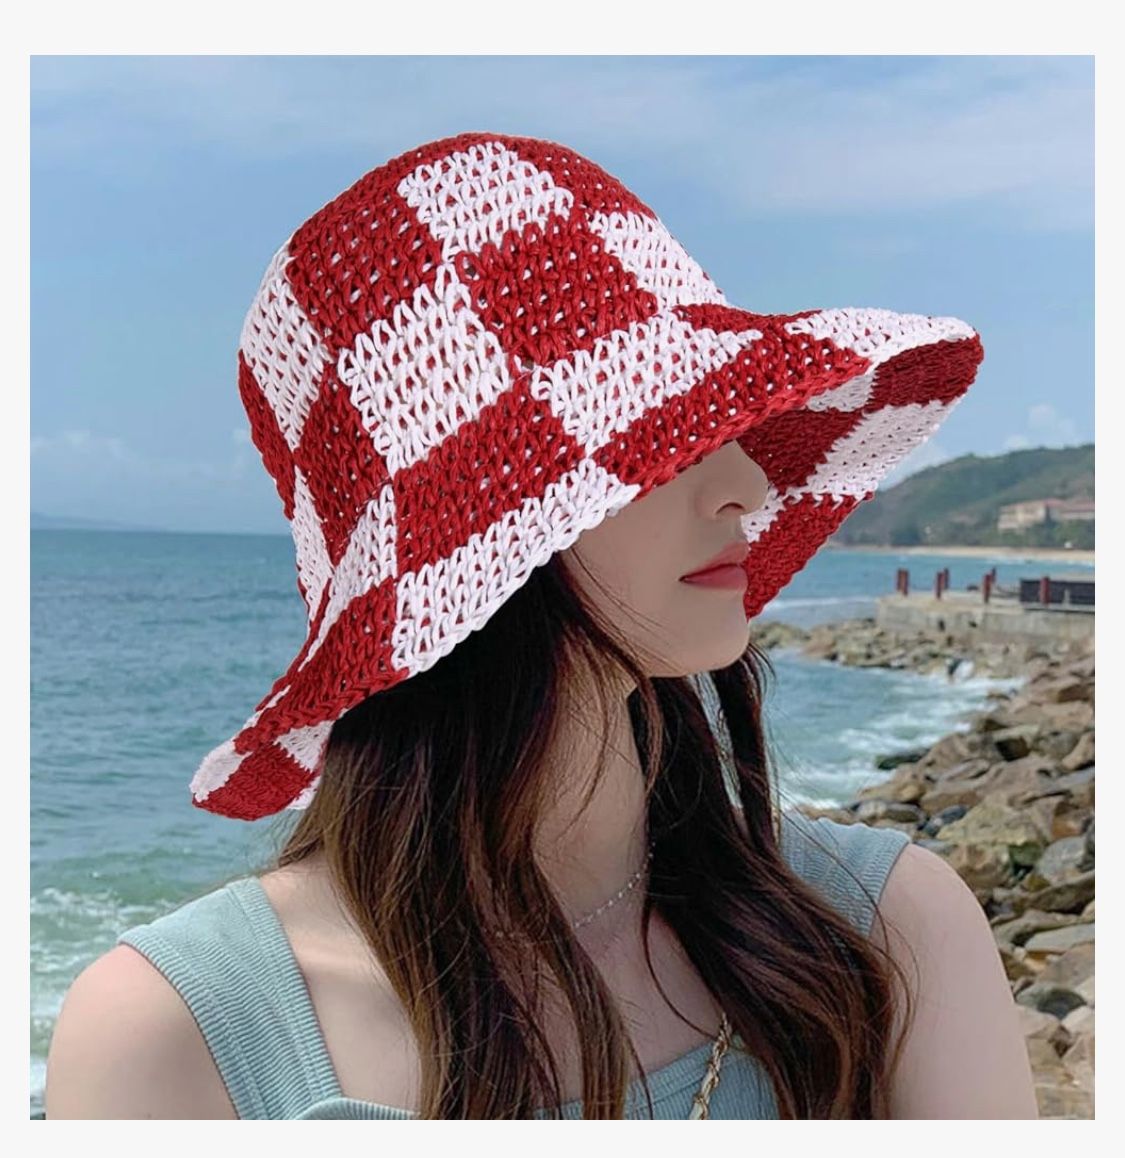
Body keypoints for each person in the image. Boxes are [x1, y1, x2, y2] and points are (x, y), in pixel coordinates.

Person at [44, 131, 1037, 1120]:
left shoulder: (887, 927)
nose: (745, 483)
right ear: (483, 533)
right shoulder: (181, 1031)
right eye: (661, 443)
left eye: (722, 427)